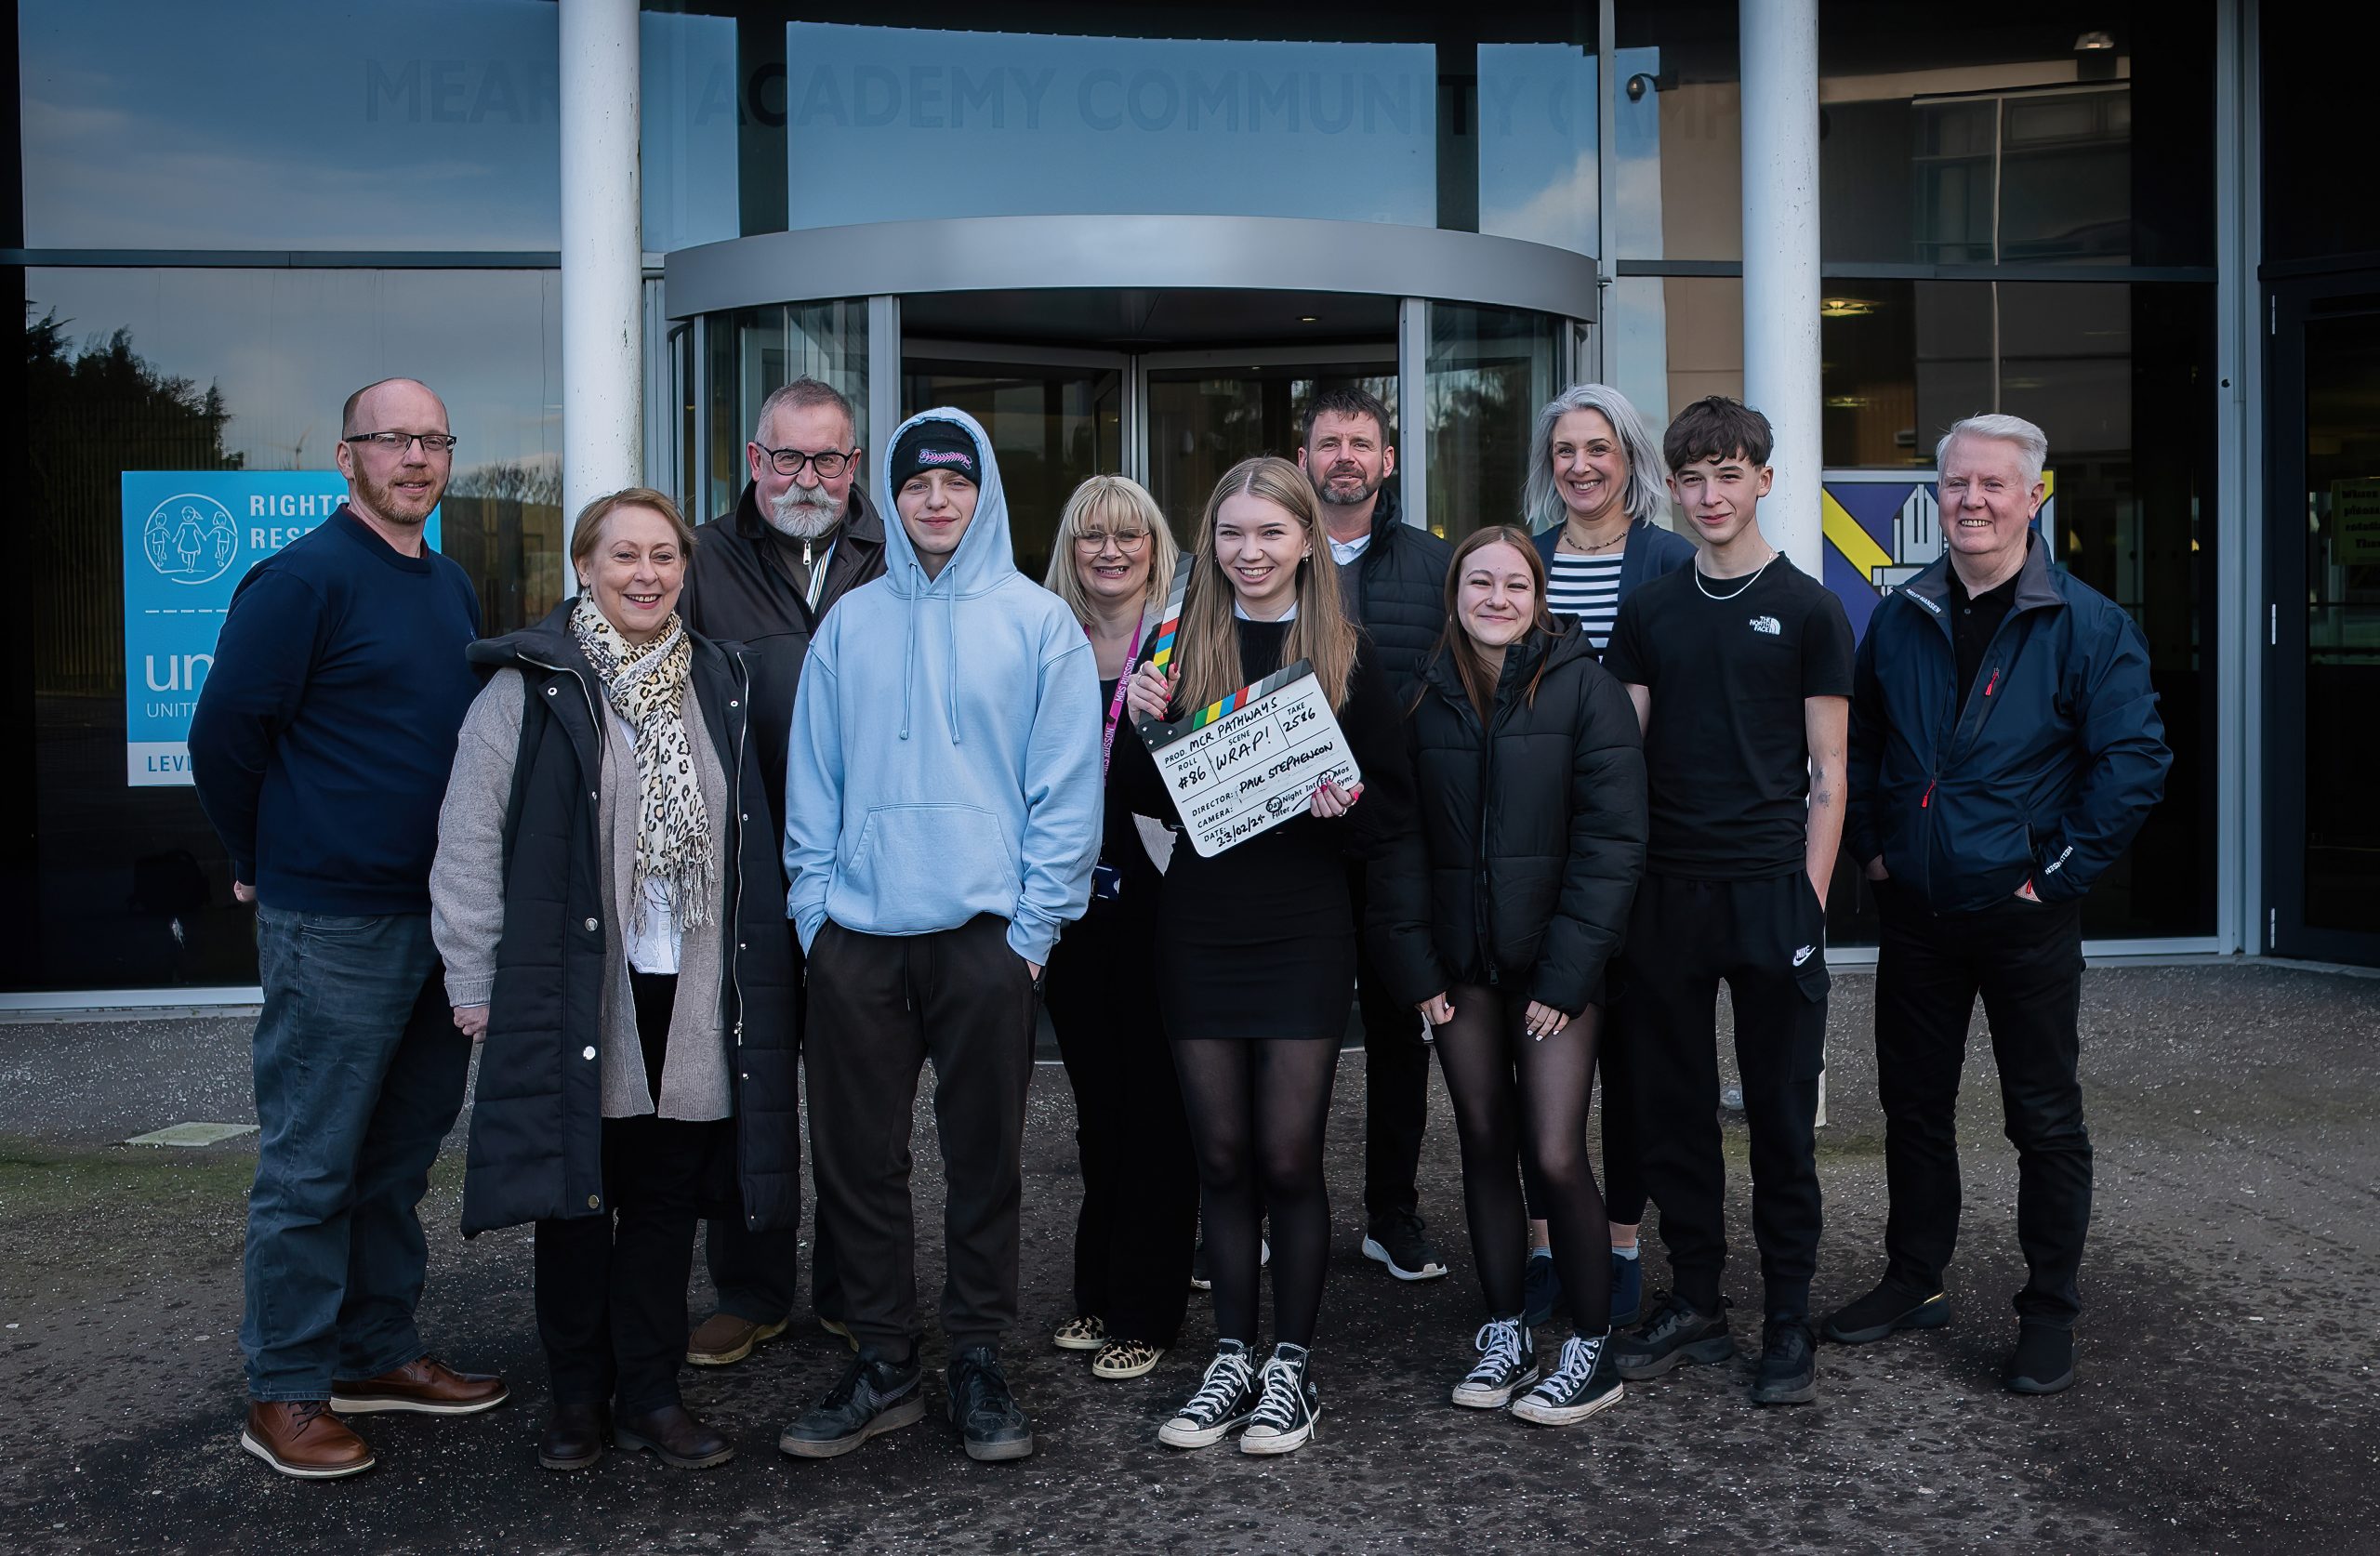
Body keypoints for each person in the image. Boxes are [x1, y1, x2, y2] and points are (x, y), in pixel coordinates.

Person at [430, 489, 800, 1472]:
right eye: (624, 555)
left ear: (687, 570)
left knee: (667, 1203)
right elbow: (467, 844)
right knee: (576, 1204)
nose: (646, 575)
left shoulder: (716, 678)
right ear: (584, 569)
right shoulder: (529, 688)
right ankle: (576, 1402)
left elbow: (751, 835)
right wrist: (474, 977)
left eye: (665, 557)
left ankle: (651, 1392)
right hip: (575, 989)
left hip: (691, 988)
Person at [190, 376, 507, 1480]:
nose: (415, 457)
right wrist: (256, 859)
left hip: (437, 920)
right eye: (392, 439)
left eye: (433, 439)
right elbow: (226, 735)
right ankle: (284, 1388)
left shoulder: (450, 582)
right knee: (312, 1165)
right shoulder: (302, 579)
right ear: (347, 456)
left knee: (399, 1156)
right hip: (333, 922)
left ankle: (375, 1352)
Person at [776, 408, 1103, 1465]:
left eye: (955, 482)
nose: (935, 500)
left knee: (983, 1158)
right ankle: (881, 1359)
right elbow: (812, 783)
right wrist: (816, 918)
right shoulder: (850, 623)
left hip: (984, 935)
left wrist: (1033, 927)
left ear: (982, 490)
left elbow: (1064, 788)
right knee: (855, 1161)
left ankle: (974, 1357)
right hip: (859, 935)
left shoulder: (1035, 621)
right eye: (917, 483)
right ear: (893, 495)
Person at [1826, 414, 2169, 1395]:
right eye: (1953, 485)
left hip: (2023, 918)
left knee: (2043, 1120)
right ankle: (1914, 1279)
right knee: (1913, 1109)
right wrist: (1874, 851)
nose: (1969, 501)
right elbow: (1866, 742)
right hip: (1919, 914)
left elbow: (2135, 764)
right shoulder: (1902, 615)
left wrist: (2053, 875)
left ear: (2033, 497)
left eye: (1990, 484)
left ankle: (2049, 1309)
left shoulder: (2088, 625)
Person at [1121, 455, 1413, 1457]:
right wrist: (1143, 721)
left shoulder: (1345, 653)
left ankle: (1292, 1366)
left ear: (1305, 543)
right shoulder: (1176, 644)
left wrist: (1349, 807)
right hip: (1199, 922)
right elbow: (1145, 801)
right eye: (1233, 534)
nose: (1250, 553)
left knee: (1287, 1154)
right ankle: (1230, 1357)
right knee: (1221, 1155)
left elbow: (1392, 808)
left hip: (1302, 926)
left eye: (1270, 534)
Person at [1600, 396, 1854, 1407]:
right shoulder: (1652, 610)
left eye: (1728, 474)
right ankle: (1696, 1297)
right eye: (1691, 477)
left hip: (1769, 899)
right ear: (1671, 485)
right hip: (1667, 895)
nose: (1709, 495)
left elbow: (1829, 776)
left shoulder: (1807, 608)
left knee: (1783, 1120)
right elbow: (1620, 760)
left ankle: (1785, 1317)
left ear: (1763, 479)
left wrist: (1807, 906)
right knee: (1673, 1114)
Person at [1370, 526, 1646, 1426]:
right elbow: (1396, 846)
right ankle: (1502, 1328)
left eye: (1514, 584)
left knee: (1556, 1152)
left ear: (1539, 596)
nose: (1496, 598)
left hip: (1555, 971)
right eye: (1478, 583)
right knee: (1484, 1146)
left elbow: (1612, 846)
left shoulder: (1587, 691)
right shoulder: (1419, 697)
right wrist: (1416, 967)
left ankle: (1590, 1348)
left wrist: (1566, 979)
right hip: (1458, 970)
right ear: (1453, 595)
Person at [678, 376, 887, 1366]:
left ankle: (857, 1290)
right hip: (739, 874)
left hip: (865, 878)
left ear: (855, 464)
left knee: (858, 1096)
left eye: (829, 458)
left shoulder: (897, 558)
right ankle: (751, 1289)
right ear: (753, 461)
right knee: (746, 1086)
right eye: (787, 458)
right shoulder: (697, 561)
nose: (807, 478)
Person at [1519, 382, 1698, 1332]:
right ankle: (1546, 1244)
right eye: (1564, 452)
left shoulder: (1671, 560)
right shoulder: (1525, 562)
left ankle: (1623, 1241)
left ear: (1629, 459)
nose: (1580, 465)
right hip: (1533, 854)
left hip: (1638, 852)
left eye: (1598, 448)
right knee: (1536, 1059)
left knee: (1630, 1067)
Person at [1038, 476, 1198, 1381]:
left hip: (1160, 897)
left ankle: (1149, 1310)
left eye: (1128, 536)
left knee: (1157, 1114)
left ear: (1153, 547)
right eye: (1092, 534)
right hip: (1070, 903)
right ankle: (1097, 1295)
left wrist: (1162, 717)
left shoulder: (1180, 647)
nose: (1109, 550)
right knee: (1097, 1115)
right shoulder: (1044, 641)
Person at [1294, 385, 1454, 1286]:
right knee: (1292, 1030)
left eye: (1361, 442)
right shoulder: (1265, 553)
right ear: (1304, 459)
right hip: (1289, 842)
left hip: (1397, 834)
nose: (1345, 456)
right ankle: (1281, 1205)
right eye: (1329, 442)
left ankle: (1391, 1214)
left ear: (1387, 462)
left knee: (1399, 1034)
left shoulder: (1435, 568)